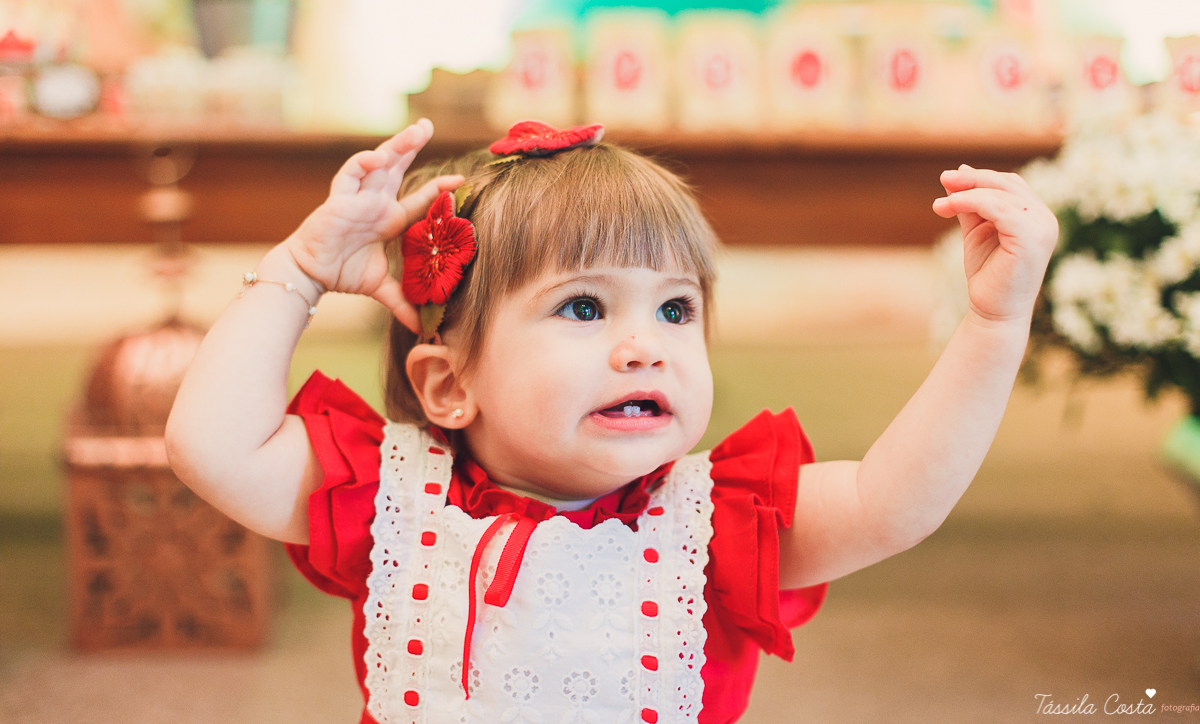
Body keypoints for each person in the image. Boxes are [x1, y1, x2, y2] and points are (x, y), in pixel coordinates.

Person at [166, 118, 1059, 724]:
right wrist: (303, 266)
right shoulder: (392, 501)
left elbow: (894, 499)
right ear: (446, 387)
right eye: (586, 309)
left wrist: (993, 324)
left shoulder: (717, 521)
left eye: (675, 311)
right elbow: (210, 445)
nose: (646, 347)